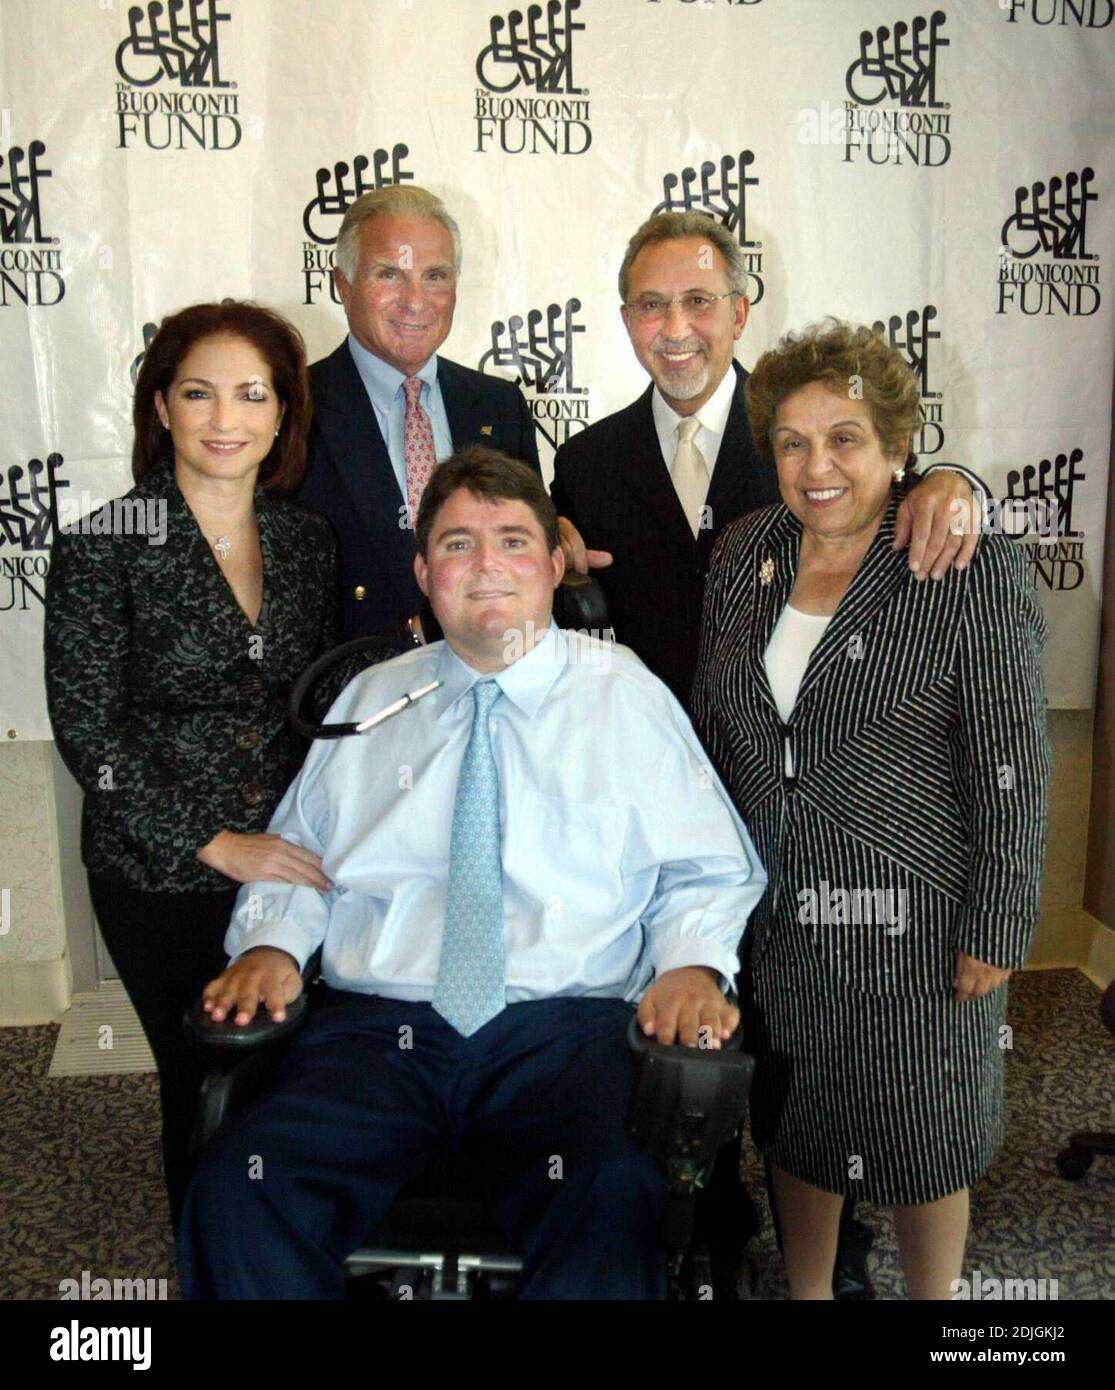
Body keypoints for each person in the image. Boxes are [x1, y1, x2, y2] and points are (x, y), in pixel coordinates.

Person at [176, 447, 766, 1300]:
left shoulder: (623, 697)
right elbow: (293, 855)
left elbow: (707, 869)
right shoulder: (370, 698)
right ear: (422, 571)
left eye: (513, 541)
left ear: (555, 564)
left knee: (606, 1189)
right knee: (242, 1187)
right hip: (378, 1032)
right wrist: (271, 944)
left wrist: (688, 964)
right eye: (456, 545)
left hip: (560, 1031)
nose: (485, 565)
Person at [691, 320, 1050, 1300]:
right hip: (778, 917)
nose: (817, 467)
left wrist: (998, 923)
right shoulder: (742, 555)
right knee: (800, 1124)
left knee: (921, 1142)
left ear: (897, 447)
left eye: (844, 438)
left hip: (922, 925)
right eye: (794, 442)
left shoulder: (964, 564)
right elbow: (716, 733)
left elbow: (1012, 764)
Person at [44, 301, 343, 1230]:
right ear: (162, 407)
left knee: (296, 1068)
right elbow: (90, 732)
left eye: (252, 395)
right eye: (199, 393)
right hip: (160, 869)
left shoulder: (305, 541)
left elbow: (318, 703)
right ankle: (209, 1254)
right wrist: (216, 843)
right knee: (209, 1066)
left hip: (294, 857)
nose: (226, 419)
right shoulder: (103, 546)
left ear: (283, 414)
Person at [551, 211, 982, 705]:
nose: (674, 328)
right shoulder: (585, 463)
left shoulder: (802, 429)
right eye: (652, 305)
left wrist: (955, 481)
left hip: (788, 760)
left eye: (698, 301)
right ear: (627, 321)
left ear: (739, 313)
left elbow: (914, 496)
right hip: (644, 759)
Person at [298, 184, 541, 641]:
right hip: (350, 696)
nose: (415, 301)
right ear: (342, 286)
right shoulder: (293, 409)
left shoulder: (499, 406)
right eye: (389, 274)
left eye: (435, 276)